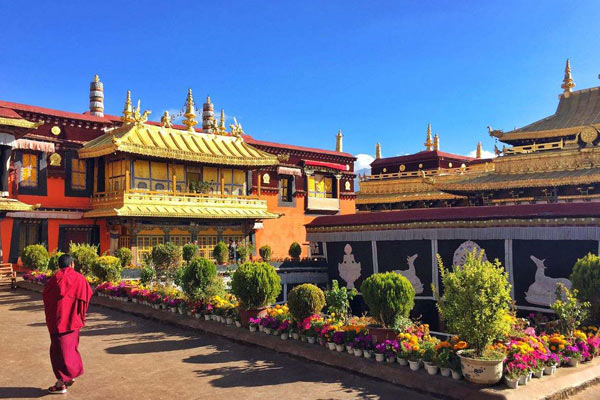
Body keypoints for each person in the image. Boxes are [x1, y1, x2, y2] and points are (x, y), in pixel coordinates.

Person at [42, 254, 93, 394]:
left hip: (58, 321)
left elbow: (46, 298)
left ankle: (61, 384)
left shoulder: (53, 281)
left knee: (58, 352)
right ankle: (70, 376)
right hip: (72, 320)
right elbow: (87, 295)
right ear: (71, 264)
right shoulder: (79, 278)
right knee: (71, 349)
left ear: (60, 265)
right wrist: (78, 311)